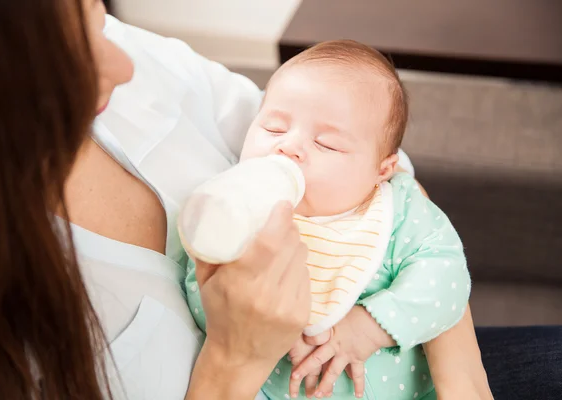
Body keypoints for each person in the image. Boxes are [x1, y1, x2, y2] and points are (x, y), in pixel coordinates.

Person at [0, 0, 534, 399]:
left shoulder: (383, 208)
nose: (124, 66)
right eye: (71, 59)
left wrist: (457, 372)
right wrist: (233, 364)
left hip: (412, 371)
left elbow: (428, 237)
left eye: (99, 21)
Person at [185, 40, 471, 399]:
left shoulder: (397, 210)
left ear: (381, 170)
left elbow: (447, 280)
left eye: (327, 144)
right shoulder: (240, 211)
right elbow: (205, 293)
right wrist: (277, 331)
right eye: (273, 128)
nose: (288, 147)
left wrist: (369, 327)